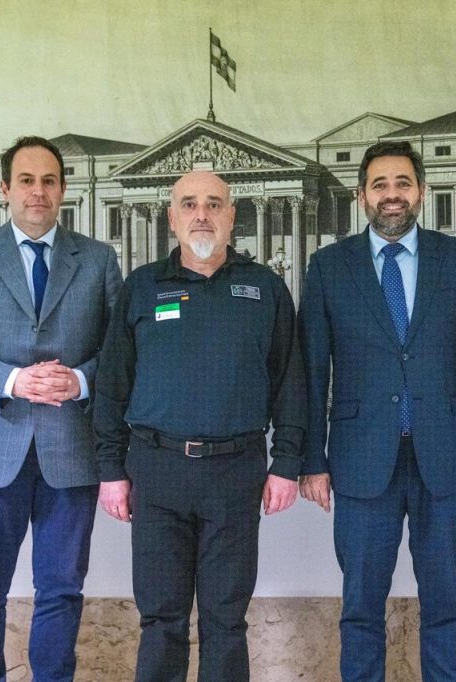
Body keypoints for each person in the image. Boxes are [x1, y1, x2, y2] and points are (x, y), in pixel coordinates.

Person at [298, 140, 456, 681]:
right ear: (362, 195)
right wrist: (311, 460)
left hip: (446, 457)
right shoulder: (328, 266)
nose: (392, 195)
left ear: (421, 191)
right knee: (360, 609)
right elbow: (311, 372)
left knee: (445, 606)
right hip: (360, 460)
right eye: (380, 185)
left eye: (402, 183)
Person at [94, 170, 304, 682]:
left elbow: (290, 382)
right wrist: (110, 470)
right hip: (156, 471)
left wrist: (287, 463)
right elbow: (112, 384)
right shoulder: (143, 287)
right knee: (160, 619)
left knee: (226, 620)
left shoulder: (266, 288)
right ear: (172, 218)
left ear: (233, 216)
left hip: (236, 473)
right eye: (189, 204)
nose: (202, 214)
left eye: (214, 203)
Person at [0, 136, 121, 681]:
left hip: (71, 454)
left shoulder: (98, 259)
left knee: (61, 590)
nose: (39, 191)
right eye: (27, 180)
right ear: (5, 188)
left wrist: (80, 380)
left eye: (49, 181)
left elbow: (122, 350)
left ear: (63, 189)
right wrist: (12, 379)